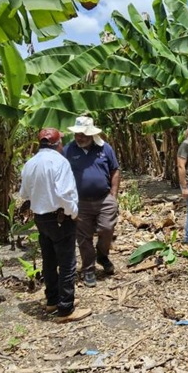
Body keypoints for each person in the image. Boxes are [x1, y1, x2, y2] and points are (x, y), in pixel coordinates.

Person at [18, 128, 88, 322]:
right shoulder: (60, 161)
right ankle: (65, 309)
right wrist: (73, 213)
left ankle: (52, 301)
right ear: (58, 144)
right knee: (67, 263)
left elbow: (23, 194)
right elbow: (65, 193)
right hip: (60, 218)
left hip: (40, 218)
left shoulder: (30, 163)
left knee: (49, 260)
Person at [63, 117, 120, 289]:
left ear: (91, 135)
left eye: (83, 134)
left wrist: (114, 195)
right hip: (80, 202)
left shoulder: (104, 148)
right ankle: (88, 269)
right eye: (77, 134)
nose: (79, 137)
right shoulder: (68, 150)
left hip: (104, 199)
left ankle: (102, 255)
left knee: (107, 228)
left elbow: (115, 170)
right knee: (83, 237)